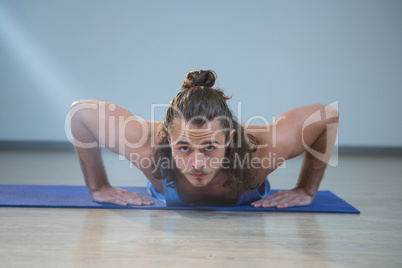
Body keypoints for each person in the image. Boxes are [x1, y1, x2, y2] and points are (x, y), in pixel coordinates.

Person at [69, 70, 338, 208]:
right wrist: (98, 187)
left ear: (230, 139)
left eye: (210, 146)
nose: (197, 163)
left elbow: (327, 116)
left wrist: (306, 190)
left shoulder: (260, 150)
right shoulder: (146, 146)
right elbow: (79, 113)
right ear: (166, 140)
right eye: (184, 147)